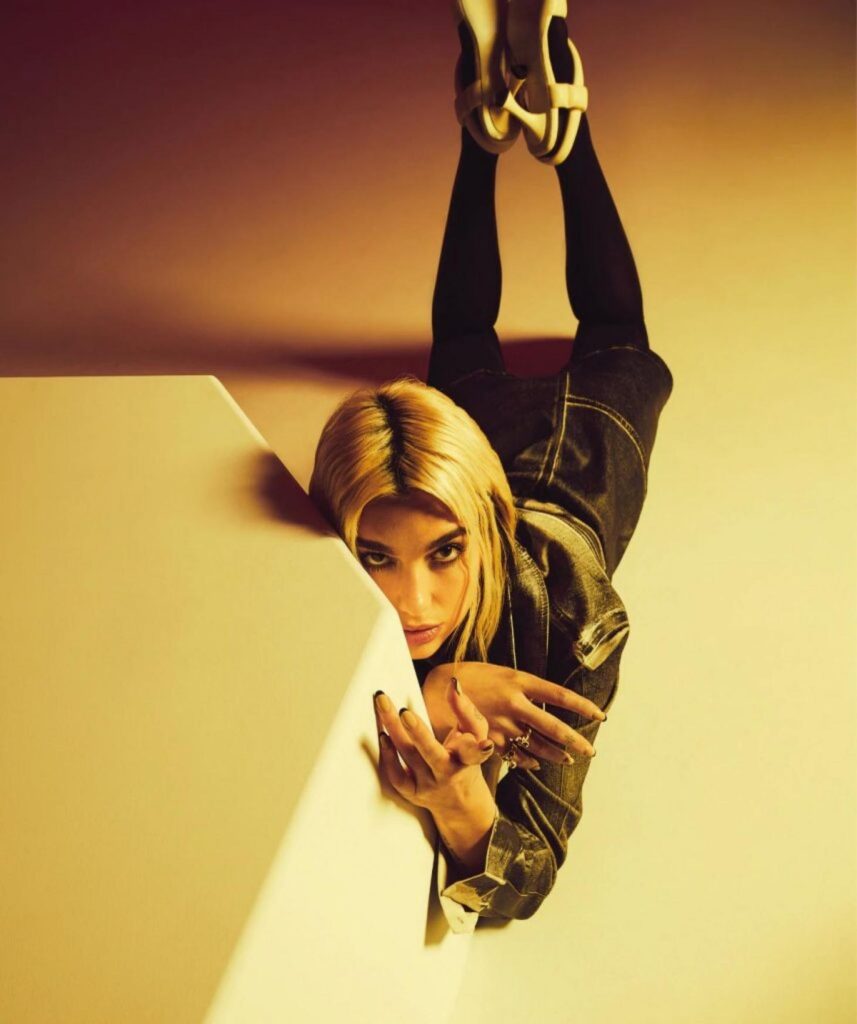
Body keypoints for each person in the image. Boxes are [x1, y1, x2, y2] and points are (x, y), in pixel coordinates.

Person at [308, 0, 673, 929]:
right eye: (374, 558)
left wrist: (460, 796)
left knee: (607, 338)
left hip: (586, 448)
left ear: (483, 526)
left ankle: (523, 131)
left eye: (444, 553)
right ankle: (511, 123)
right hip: (471, 450)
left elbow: (525, 885)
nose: (413, 604)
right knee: (473, 345)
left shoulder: (583, 623)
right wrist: (435, 695)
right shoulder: (322, 551)